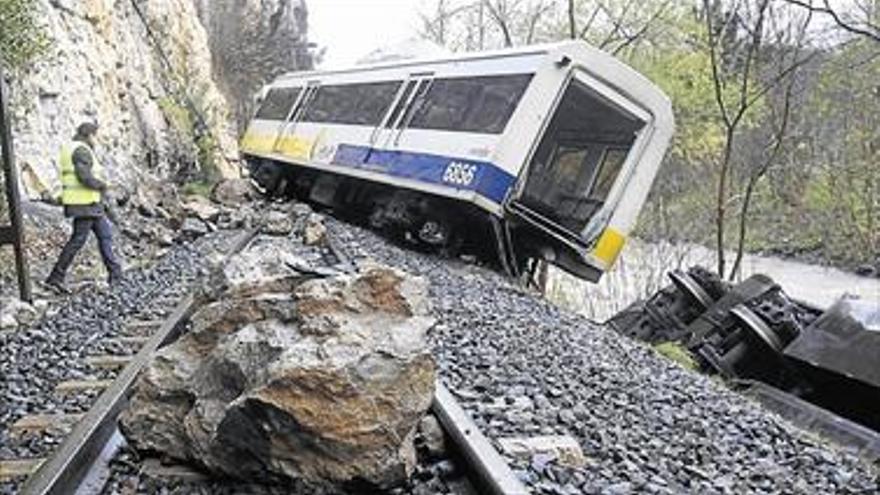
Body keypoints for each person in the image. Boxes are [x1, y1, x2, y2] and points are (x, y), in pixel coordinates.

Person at [44, 123, 122, 293]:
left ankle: (116, 275)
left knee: (105, 235)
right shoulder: (81, 150)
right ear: (90, 135)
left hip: (91, 204)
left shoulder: (74, 148)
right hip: (84, 204)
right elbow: (84, 177)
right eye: (96, 136)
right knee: (78, 240)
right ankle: (55, 277)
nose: (97, 140)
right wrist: (103, 185)